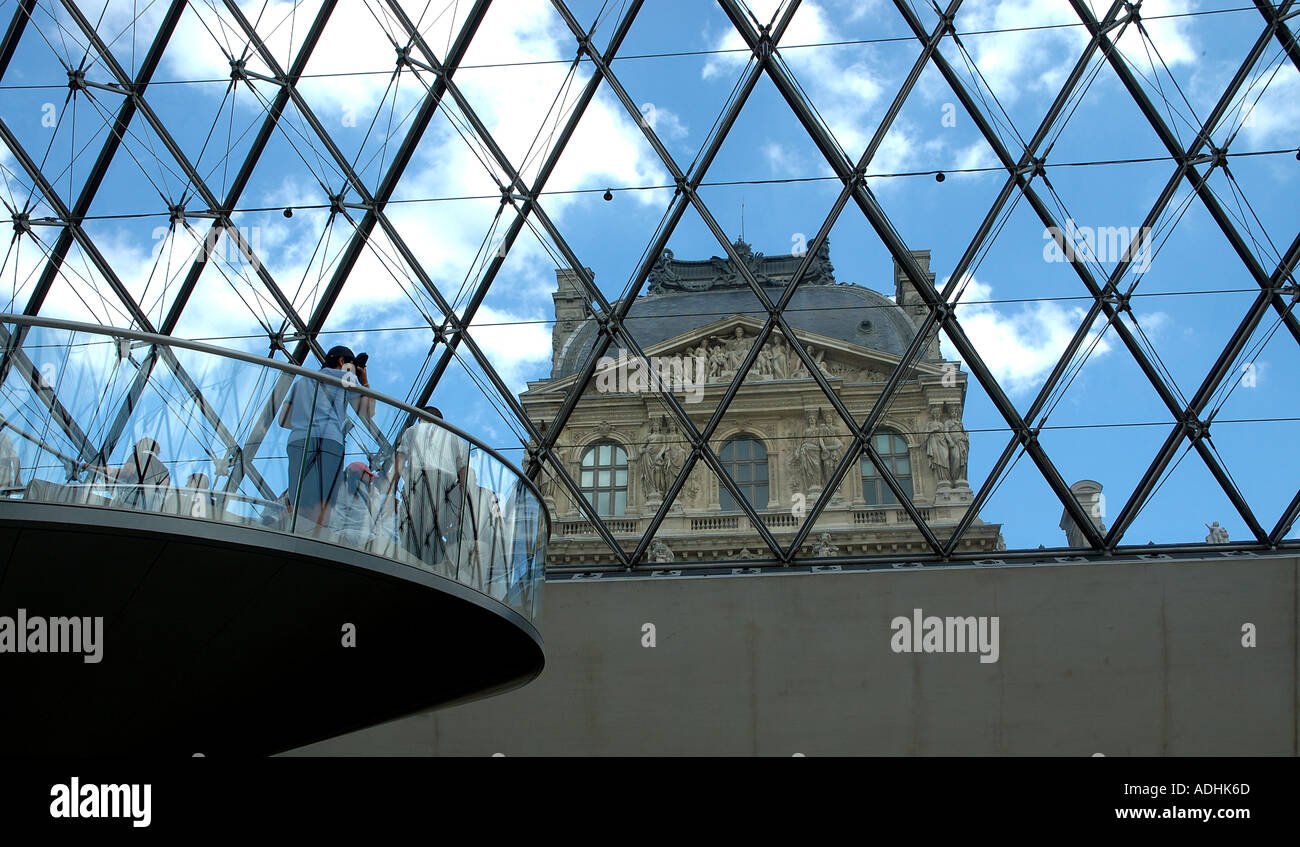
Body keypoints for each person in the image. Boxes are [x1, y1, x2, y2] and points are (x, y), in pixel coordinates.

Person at [279, 346, 373, 529]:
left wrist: (306, 420)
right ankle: (316, 539)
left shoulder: (302, 380)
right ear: (341, 362)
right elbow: (368, 411)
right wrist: (364, 382)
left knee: (300, 496)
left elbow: (283, 420)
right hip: (329, 440)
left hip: (297, 440)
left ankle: (295, 533)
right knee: (324, 499)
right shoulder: (346, 377)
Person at [395, 406, 469, 573]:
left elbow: (400, 461)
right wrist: (461, 507)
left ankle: (409, 568)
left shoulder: (413, 430)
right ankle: (430, 570)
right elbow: (463, 475)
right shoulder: (455, 438)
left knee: (410, 532)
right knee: (435, 534)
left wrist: (391, 490)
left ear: (421, 418)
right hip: (447, 487)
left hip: (418, 481)